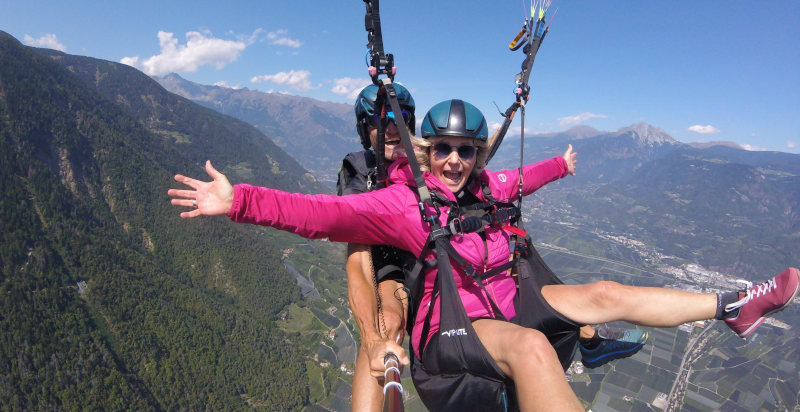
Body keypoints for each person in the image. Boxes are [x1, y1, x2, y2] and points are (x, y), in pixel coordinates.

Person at [168, 99, 799, 411]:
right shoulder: (401, 203)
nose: (453, 161)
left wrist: (564, 165)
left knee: (602, 294)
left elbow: (524, 180)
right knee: (528, 348)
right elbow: (322, 216)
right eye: (442, 148)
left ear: (477, 156)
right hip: (451, 326)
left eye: (465, 151)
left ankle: (732, 305)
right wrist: (241, 200)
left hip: (507, 300)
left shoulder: (487, 187)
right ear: (425, 151)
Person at [342, 86, 646, 410]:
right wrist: (373, 338)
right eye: (380, 118)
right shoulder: (363, 171)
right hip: (391, 259)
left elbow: (504, 179)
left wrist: (559, 164)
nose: (390, 127)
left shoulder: (426, 159)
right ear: (365, 127)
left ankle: (587, 337)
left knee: (513, 275)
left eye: (399, 118)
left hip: (433, 248)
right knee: (387, 323)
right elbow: (359, 261)